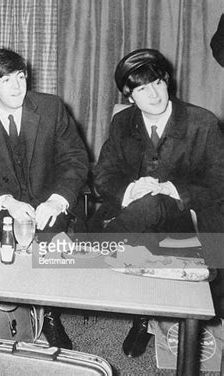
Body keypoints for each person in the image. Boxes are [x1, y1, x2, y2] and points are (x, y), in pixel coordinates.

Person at [90, 49, 224, 357]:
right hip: (135, 215)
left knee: (152, 207)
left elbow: (219, 182)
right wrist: (130, 190)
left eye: (158, 83)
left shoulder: (201, 122)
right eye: (141, 88)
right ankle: (142, 319)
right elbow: (103, 175)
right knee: (144, 206)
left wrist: (173, 189)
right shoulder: (123, 122)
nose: (153, 94)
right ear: (130, 96)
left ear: (167, 82)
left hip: (189, 216)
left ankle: (94, 253)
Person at [0, 48, 89, 349]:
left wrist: (57, 200)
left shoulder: (51, 108)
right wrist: (6, 202)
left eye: (20, 77)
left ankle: (50, 317)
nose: (16, 87)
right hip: (1, 207)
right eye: (5, 81)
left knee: (52, 244)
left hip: (47, 202)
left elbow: (75, 160)